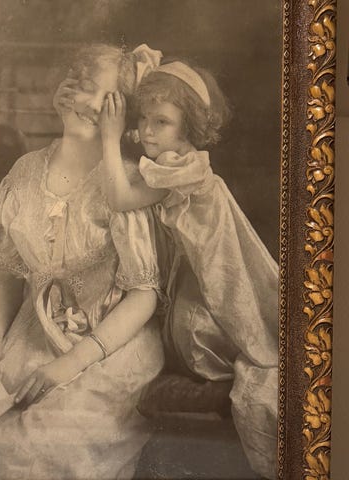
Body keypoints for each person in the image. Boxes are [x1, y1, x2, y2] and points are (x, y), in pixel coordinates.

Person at [0, 44, 169, 480]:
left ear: (119, 111)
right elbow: (9, 273)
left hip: (109, 345)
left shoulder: (126, 182)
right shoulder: (23, 173)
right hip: (33, 334)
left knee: (38, 445)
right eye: (73, 80)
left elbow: (144, 295)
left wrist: (72, 362)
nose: (75, 93)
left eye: (91, 88)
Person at [98, 55, 279, 480]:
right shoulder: (177, 161)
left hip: (209, 301)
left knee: (202, 335)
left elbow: (120, 198)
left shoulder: (184, 168)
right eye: (143, 119)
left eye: (161, 122)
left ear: (188, 128)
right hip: (191, 282)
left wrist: (109, 137)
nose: (146, 131)